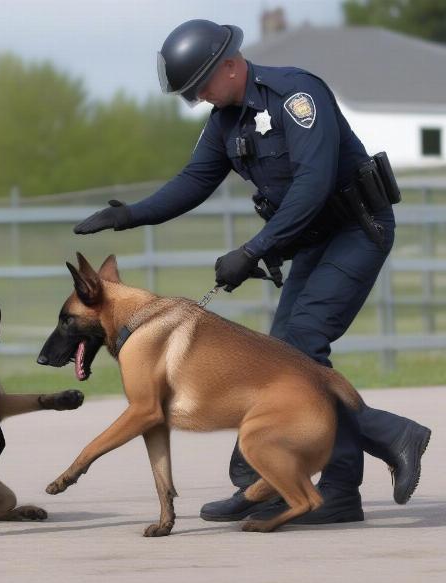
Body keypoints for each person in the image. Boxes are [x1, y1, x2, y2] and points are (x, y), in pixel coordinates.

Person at [73, 19, 431, 525]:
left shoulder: (296, 96)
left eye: (199, 85)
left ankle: (367, 452)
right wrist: (131, 214)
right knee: (283, 353)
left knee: (301, 346)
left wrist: (253, 249)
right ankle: (302, 480)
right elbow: (193, 181)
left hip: (355, 231)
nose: (196, 97)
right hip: (308, 241)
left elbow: (312, 183)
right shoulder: (226, 120)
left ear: (230, 65)